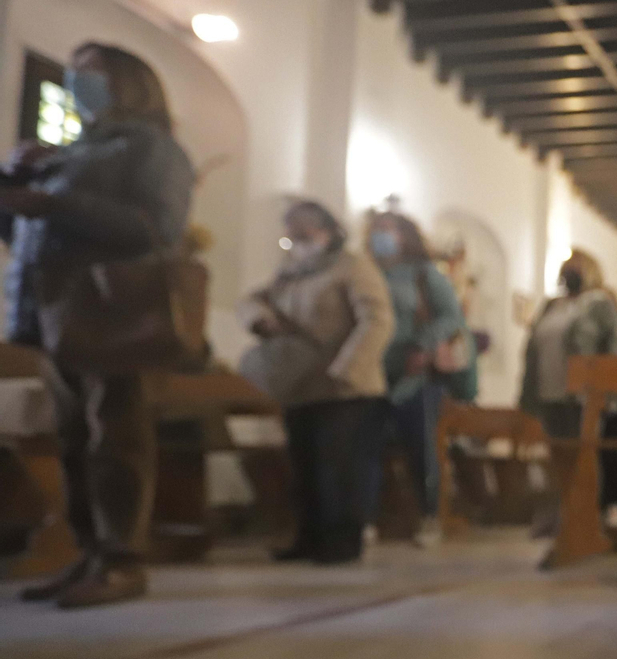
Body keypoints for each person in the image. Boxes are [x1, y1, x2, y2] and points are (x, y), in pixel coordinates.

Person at [0, 42, 194, 608]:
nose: (77, 79)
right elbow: (31, 237)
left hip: (114, 310)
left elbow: (157, 229)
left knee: (117, 435)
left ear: (130, 82)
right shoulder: (69, 153)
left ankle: (122, 560)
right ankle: (88, 553)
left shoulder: (153, 148)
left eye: (91, 72)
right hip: (56, 308)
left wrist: (53, 205)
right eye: (74, 71)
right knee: (74, 438)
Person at [239, 201, 393, 565]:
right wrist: (260, 320)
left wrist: (346, 367)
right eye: (291, 233)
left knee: (336, 467)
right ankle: (308, 536)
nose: (298, 239)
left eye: (304, 231)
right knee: (304, 464)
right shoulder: (290, 272)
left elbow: (376, 320)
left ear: (327, 229)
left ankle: (342, 540)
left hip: (345, 387)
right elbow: (253, 300)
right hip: (301, 384)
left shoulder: (353, 267)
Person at [366, 209, 476, 547]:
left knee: (420, 444)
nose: (381, 235)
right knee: (366, 446)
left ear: (405, 235)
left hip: (417, 372)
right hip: (370, 372)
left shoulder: (424, 275)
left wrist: (424, 347)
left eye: (389, 229)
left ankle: (430, 516)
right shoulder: (366, 273)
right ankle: (365, 520)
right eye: (377, 230)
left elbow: (450, 317)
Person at [519, 251, 617, 531]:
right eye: (567, 265)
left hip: (582, 395)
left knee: (584, 454)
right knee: (560, 454)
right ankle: (567, 512)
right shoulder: (551, 306)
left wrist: (607, 388)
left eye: (576, 264)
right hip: (549, 390)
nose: (570, 270)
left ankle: (588, 516)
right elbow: (534, 345)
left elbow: (616, 345)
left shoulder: (599, 304)